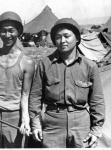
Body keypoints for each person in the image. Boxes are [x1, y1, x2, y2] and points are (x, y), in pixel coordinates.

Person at [29, 18, 105, 148]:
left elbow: (97, 100)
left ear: (77, 39)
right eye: (58, 37)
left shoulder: (90, 66)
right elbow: (35, 97)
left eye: (67, 36)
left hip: (81, 124)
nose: (62, 40)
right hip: (53, 124)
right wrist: (36, 124)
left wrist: (96, 129)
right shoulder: (45, 64)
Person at [0, 11, 35, 148]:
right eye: (3, 31)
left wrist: (25, 120)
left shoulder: (27, 62)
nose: (7, 35)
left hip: (15, 117)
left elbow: (25, 94)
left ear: (18, 32)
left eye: (11, 31)